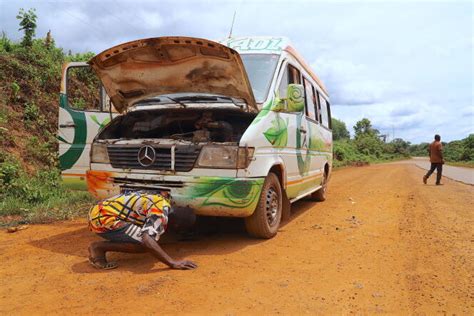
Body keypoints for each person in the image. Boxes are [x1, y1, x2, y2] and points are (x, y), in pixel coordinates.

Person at [87, 191, 197, 270]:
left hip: (100, 209)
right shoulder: (160, 213)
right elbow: (147, 240)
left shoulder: (162, 199)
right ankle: (98, 248)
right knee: (145, 243)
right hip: (103, 218)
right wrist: (172, 263)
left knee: (147, 236)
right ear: (176, 225)